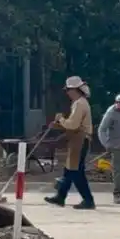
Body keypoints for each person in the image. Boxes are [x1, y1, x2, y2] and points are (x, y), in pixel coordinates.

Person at [45, 76, 96, 210]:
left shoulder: (79, 104)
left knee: (76, 171)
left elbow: (73, 125)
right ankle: (60, 197)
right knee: (69, 169)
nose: (67, 92)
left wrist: (61, 119)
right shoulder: (79, 103)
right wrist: (58, 125)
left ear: (74, 90)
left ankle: (88, 200)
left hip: (80, 140)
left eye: (68, 90)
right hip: (77, 139)